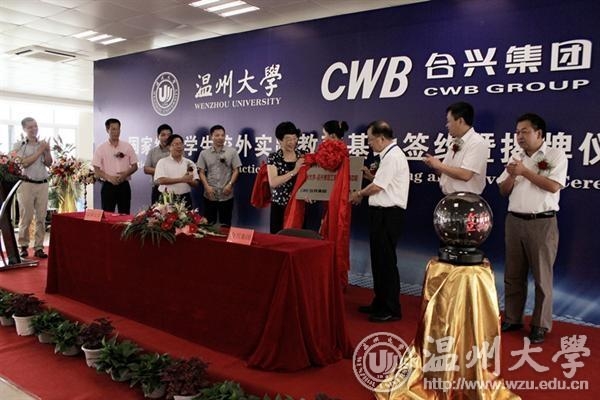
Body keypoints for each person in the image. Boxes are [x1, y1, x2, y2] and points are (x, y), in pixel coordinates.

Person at [497, 113, 568, 344]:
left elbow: (553, 186)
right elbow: (503, 191)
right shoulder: (515, 156)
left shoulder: (555, 154)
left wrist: (525, 172)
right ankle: (513, 318)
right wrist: (511, 175)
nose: (519, 136)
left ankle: (540, 325)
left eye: (524, 132)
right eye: (517, 132)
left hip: (542, 222)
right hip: (514, 221)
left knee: (542, 277)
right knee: (513, 275)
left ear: (539, 133)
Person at [350, 121, 410, 322]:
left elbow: (378, 187)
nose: (369, 144)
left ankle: (391, 308)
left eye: (371, 140)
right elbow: (382, 183)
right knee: (378, 261)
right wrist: (370, 176)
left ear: (382, 138)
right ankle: (380, 302)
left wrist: (358, 194)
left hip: (388, 215)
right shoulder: (388, 156)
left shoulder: (392, 156)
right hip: (381, 214)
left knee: (386, 262)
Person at [423, 101, 487, 195]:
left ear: (460, 121)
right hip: (451, 197)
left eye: (449, 121)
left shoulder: (477, 142)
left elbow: (466, 174)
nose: (447, 125)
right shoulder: (456, 141)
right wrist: (435, 166)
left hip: (466, 199)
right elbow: (447, 172)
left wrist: (439, 165)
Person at [12, 117, 52, 259]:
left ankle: (39, 247)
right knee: (26, 217)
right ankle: (23, 246)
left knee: (41, 217)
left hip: (43, 184)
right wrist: (40, 150)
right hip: (26, 184)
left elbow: (49, 163)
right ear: (24, 129)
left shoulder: (42, 144)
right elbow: (23, 163)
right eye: (30, 127)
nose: (34, 129)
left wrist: (47, 151)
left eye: (35, 126)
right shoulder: (20, 145)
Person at [196, 125, 241, 225]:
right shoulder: (204, 153)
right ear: (211, 137)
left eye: (222, 135)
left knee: (225, 224)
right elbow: (201, 172)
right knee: (209, 223)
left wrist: (230, 185)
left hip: (226, 194)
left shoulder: (232, 152)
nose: (220, 138)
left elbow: (236, 170)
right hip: (210, 194)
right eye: (217, 135)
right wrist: (206, 187)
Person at [93, 118, 138, 214]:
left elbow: (135, 166)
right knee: (107, 214)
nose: (116, 132)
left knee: (125, 214)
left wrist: (125, 174)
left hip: (124, 185)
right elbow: (96, 169)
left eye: (118, 129)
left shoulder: (127, 146)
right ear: (107, 130)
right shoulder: (101, 148)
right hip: (108, 186)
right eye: (113, 129)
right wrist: (109, 178)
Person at [266, 121, 305, 234]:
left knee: (298, 239)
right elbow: (273, 182)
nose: (292, 142)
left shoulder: (302, 155)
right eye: (288, 139)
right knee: (278, 238)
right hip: (280, 205)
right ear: (279, 140)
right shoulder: (274, 157)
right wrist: (294, 171)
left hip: (298, 206)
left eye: (294, 138)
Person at [154, 134, 199, 209]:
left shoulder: (189, 163)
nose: (179, 147)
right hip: (167, 197)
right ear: (169, 147)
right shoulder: (162, 162)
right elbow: (161, 180)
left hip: (185, 198)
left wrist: (189, 181)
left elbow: (196, 183)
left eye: (181, 144)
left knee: (187, 216)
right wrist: (182, 179)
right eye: (176, 144)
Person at [144, 123, 172, 204]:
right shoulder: (152, 152)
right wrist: (162, 171)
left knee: (175, 211)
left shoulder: (177, 151)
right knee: (156, 211)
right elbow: (146, 169)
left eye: (169, 135)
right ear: (158, 136)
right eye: (163, 135)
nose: (166, 137)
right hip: (157, 189)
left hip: (173, 188)